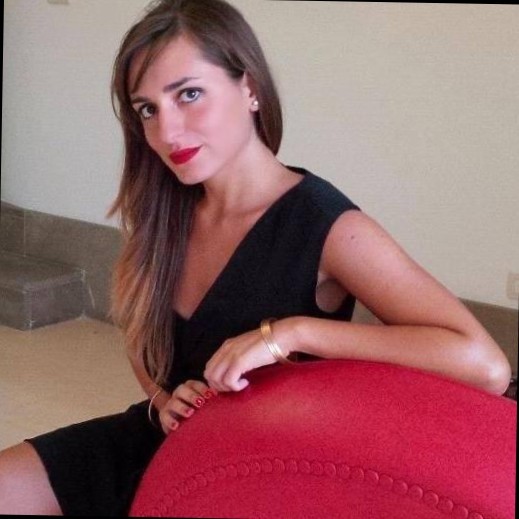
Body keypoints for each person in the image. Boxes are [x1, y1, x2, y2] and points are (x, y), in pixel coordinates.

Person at [0, 0, 511, 515]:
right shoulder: (164, 210)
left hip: (259, 467)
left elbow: (485, 366)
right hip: (163, 438)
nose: (167, 132)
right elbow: (140, 333)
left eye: (189, 94)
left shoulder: (328, 226)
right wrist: (161, 397)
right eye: (148, 109)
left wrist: (293, 333)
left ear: (249, 89)